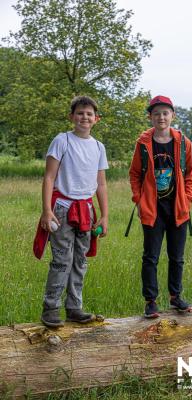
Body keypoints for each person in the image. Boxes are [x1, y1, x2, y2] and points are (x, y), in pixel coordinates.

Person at [33, 95, 108, 327]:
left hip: (86, 210)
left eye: (89, 114)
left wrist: (104, 215)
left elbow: (101, 184)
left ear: (96, 119)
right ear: (71, 116)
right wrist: (47, 210)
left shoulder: (98, 147)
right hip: (63, 209)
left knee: (80, 260)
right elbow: (49, 177)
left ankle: (74, 307)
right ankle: (51, 308)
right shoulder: (62, 140)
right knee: (61, 260)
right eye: (79, 113)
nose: (84, 117)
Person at [129, 95, 192, 318]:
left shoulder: (182, 142)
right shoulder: (143, 143)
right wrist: (139, 200)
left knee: (177, 256)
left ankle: (175, 297)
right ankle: (150, 301)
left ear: (172, 115)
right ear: (150, 116)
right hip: (152, 209)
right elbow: (134, 174)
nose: (161, 117)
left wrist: (187, 199)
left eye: (165, 113)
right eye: (156, 113)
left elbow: (191, 174)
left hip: (177, 208)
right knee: (151, 257)